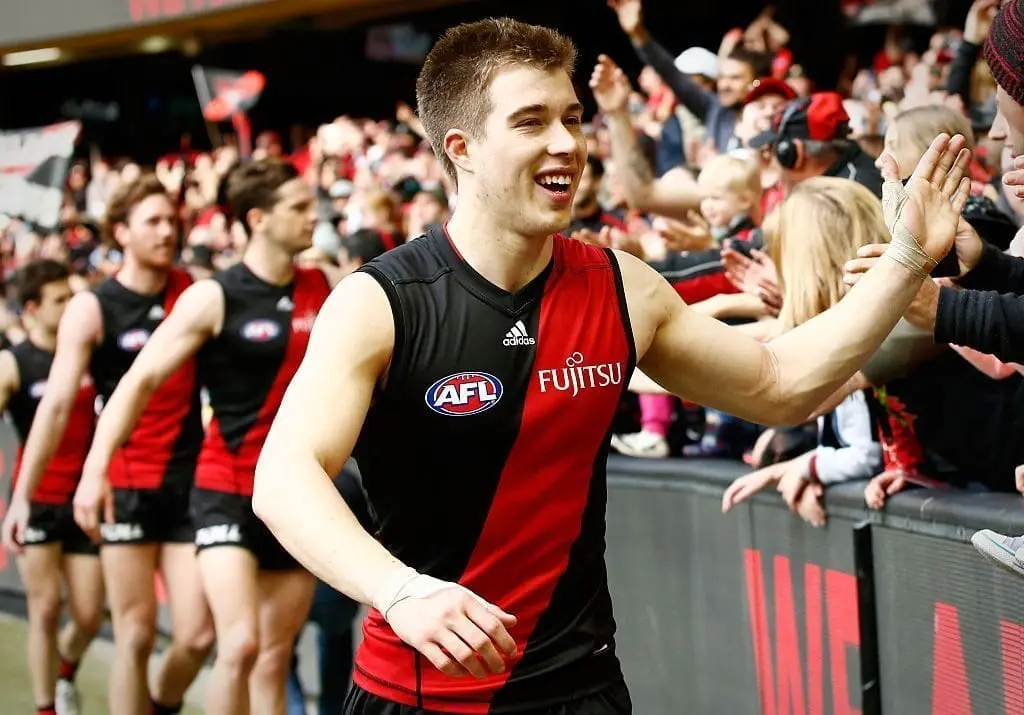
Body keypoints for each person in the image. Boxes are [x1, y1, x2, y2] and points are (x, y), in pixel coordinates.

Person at [252, 18, 971, 715]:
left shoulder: (620, 285)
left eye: (572, 116)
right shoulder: (382, 302)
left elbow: (778, 384)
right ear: (461, 148)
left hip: (582, 688)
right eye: (532, 122)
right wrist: (402, 591)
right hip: (421, 694)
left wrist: (907, 259)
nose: (567, 142)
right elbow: (283, 478)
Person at [78, 159, 332, 714]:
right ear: (258, 219)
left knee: (273, 654)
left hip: (299, 494)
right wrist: (96, 468)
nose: (314, 215)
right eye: (298, 207)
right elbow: (138, 379)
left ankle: (160, 703)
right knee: (236, 643)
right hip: (224, 486)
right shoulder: (213, 297)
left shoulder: (329, 286)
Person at [15, 175, 214, 715]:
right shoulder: (91, 308)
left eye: (170, 220)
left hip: (189, 483)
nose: (166, 230)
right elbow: (55, 407)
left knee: (197, 635)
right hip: (124, 485)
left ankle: (159, 704)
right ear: (120, 232)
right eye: (151, 221)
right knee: (136, 633)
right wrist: (22, 495)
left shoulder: (195, 290)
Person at [0, 260, 104, 715]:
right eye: (60, 301)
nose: (70, 307)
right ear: (31, 308)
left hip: (83, 500)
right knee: (44, 610)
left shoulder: (88, 350)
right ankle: (46, 707)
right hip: (38, 500)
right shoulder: (13, 362)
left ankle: (66, 674)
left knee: (88, 614)